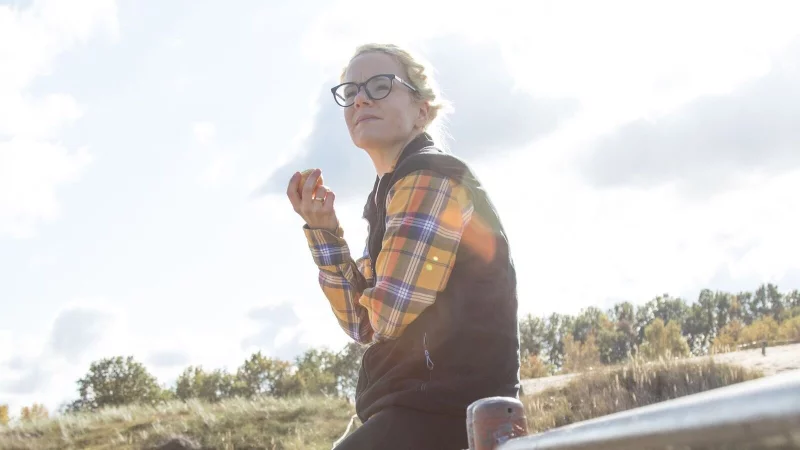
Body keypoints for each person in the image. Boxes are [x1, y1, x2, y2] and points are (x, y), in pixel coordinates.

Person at [286, 43, 520, 450]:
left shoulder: (428, 176)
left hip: (451, 414)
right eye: (350, 90)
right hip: (423, 411)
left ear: (421, 110)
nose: (360, 98)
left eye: (379, 86)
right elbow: (361, 325)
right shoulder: (389, 194)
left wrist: (367, 290)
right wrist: (323, 230)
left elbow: (386, 316)